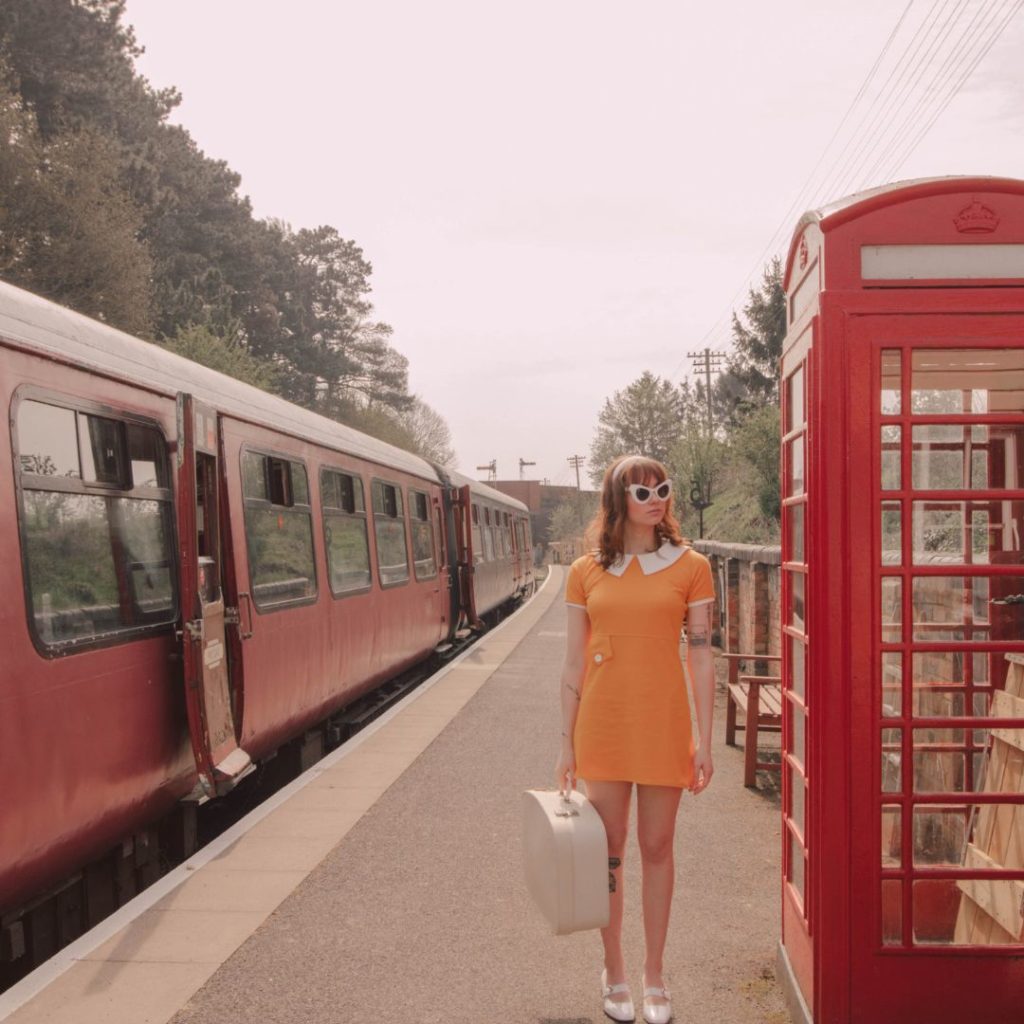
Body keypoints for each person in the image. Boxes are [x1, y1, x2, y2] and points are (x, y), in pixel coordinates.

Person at [556, 454, 715, 1024]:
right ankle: (614, 969)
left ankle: (654, 973)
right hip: (603, 720)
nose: (657, 500)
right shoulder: (584, 572)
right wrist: (565, 743)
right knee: (610, 848)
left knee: (658, 847)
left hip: (664, 720)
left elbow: (700, 656)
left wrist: (706, 737)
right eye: (643, 491)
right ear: (616, 499)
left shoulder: (692, 567)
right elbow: (573, 662)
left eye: (663, 490)